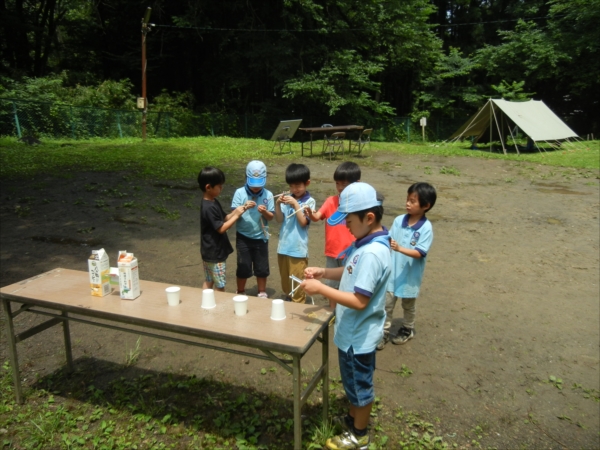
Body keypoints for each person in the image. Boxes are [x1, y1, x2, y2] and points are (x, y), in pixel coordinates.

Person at [300, 182, 391, 449]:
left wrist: (318, 289)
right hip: (353, 331)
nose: (345, 226)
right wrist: (324, 274)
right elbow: (350, 272)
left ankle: (359, 436)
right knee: (352, 381)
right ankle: (353, 419)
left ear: (369, 217)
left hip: (358, 335)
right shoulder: (363, 244)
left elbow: (359, 300)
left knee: (360, 385)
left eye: (349, 220)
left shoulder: (373, 253)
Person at [378, 182, 436, 350]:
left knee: (408, 304)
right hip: (392, 272)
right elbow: (389, 239)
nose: (407, 203)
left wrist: (400, 248)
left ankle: (407, 328)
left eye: (413, 201)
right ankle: (384, 331)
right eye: (407, 199)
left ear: (426, 206)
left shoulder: (425, 228)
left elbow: (420, 252)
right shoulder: (398, 221)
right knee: (387, 303)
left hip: (410, 275)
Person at [307, 162, 361, 295]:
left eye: (344, 184)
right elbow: (317, 216)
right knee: (331, 285)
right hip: (332, 251)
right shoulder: (331, 201)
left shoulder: (360, 204)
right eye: (338, 183)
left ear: (357, 183)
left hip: (351, 251)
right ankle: (331, 312)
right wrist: (309, 213)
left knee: (349, 284)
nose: (340, 188)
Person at [197, 167, 246, 291]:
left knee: (209, 280)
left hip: (209, 251)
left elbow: (225, 217)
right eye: (219, 186)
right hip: (214, 252)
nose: (221, 188)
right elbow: (221, 228)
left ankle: (204, 301)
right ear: (208, 187)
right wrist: (237, 216)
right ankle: (218, 307)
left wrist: (240, 209)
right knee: (219, 284)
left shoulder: (213, 201)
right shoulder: (208, 207)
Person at [231, 161, 275, 298]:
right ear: (246, 178)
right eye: (253, 184)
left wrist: (264, 212)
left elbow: (271, 217)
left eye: (259, 184)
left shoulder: (268, 195)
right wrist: (244, 207)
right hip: (243, 236)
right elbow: (234, 215)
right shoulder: (239, 193)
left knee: (262, 267)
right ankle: (241, 290)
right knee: (243, 266)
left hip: (261, 237)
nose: (256, 188)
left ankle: (261, 291)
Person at [275, 163, 316, 303]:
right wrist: (277, 204)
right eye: (291, 186)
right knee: (285, 280)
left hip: (298, 250)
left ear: (307, 183)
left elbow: (304, 222)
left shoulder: (310, 202)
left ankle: (298, 303)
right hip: (283, 247)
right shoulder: (288, 200)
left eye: (298, 186)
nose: (294, 189)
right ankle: (289, 299)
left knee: (297, 281)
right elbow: (279, 220)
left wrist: (296, 205)